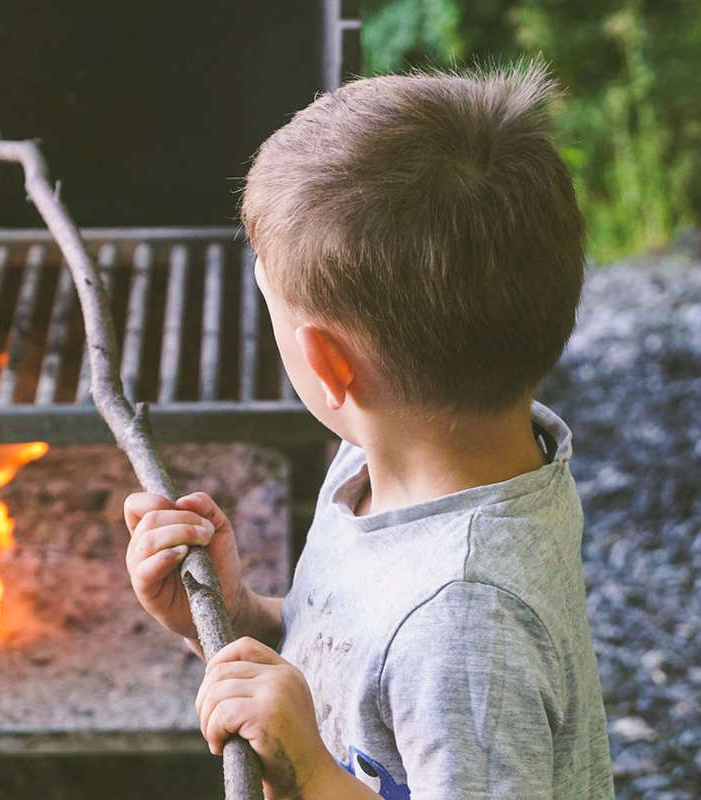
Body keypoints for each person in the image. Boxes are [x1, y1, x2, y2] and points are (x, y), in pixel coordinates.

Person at [123, 63, 615, 799]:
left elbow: (417, 661)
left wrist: (314, 775)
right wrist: (232, 617)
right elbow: (361, 664)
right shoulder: (384, 464)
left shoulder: (465, 623)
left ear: (327, 364)